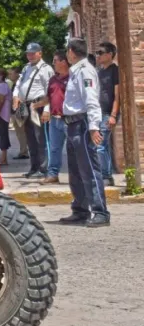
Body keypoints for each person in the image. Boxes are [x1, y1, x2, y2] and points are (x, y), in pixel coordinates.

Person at [59, 39, 108, 227]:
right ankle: (80, 210)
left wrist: (94, 127)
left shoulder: (85, 70)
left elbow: (91, 100)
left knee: (89, 169)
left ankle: (100, 211)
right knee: (76, 171)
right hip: (72, 125)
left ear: (71, 52)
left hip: (83, 124)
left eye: (67, 51)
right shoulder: (76, 71)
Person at [12, 43, 53, 179]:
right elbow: (19, 84)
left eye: (32, 53)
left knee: (41, 138)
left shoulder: (46, 69)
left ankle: (43, 168)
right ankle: (34, 167)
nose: (29, 56)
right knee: (30, 138)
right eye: (28, 53)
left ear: (40, 53)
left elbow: (49, 91)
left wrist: (47, 109)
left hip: (38, 106)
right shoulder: (26, 68)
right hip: (25, 105)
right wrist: (15, 96)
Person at [41, 51, 70, 184]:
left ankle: (79, 175)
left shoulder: (73, 78)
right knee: (53, 148)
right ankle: (53, 174)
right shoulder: (53, 79)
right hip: (54, 119)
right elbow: (49, 98)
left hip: (69, 120)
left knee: (74, 148)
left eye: (55, 61)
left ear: (63, 62)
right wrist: (39, 106)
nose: (53, 64)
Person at [95, 41, 119, 187]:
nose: (97, 55)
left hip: (107, 113)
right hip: (98, 113)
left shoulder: (114, 70)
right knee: (99, 145)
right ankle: (103, 174)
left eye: (100, 53)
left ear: (109, 55)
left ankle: (107, 176)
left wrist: (113, 115)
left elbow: (117, 95)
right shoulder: (99, 71)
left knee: (101, 145)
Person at [8, 67, 30, 158]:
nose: (9, 76)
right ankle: (23, 150)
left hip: (20, 109)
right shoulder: (15, 84)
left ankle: (24, 152)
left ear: (17, 74)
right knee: (19, 132)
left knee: (21, 132)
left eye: (11, 73)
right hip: (17, 110)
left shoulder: (20, 83)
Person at [0, 68, 12, 166]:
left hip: (1, 115)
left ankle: (3, 159)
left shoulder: (2, 86)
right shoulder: (4, 85)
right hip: (3, 114)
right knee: (2, 135)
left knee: (2, 135)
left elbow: (0, 100)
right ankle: (3, 159)